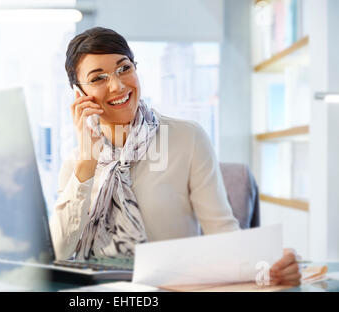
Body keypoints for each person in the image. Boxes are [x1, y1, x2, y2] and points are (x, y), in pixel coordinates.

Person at [49, 27, 301, 286]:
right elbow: (60, 251)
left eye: (124, 68)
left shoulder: (187, 138)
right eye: (98, 78)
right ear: (79, 93)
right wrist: (87, 165)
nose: (117, 85)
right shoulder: (78, 161)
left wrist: (268, 265)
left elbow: (223, 235)